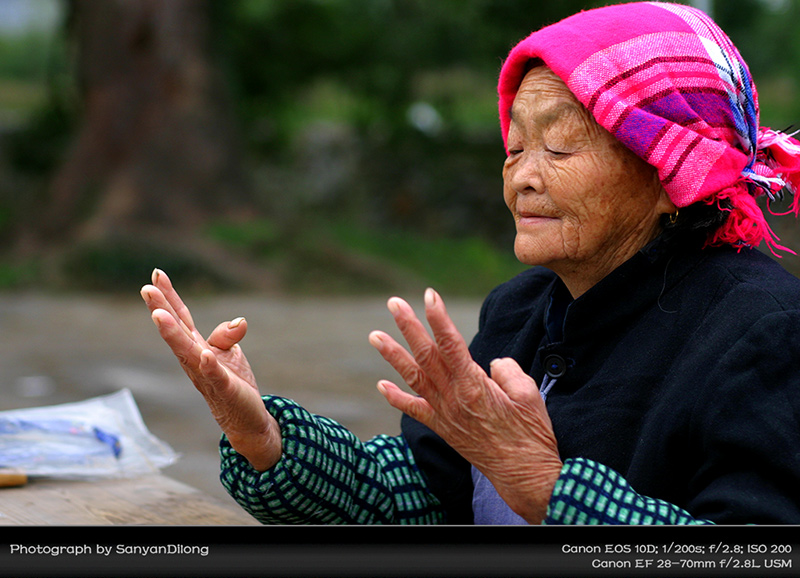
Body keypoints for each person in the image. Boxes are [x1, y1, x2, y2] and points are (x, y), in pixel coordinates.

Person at [141, 1, 800, 525]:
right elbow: (420, 500)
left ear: (669, 169)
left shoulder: (764, 331)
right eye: (514, 148)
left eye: (561, 148)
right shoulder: (518, 312)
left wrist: (547, 488)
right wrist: (265, 438)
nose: (523, 180)